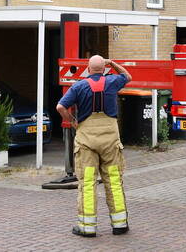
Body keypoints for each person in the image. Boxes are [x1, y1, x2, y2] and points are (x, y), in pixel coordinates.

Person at [57, 55, 132, 237]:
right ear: (104, 69)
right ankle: (120, 224)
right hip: (110, 140)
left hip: (87, 141)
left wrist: (73, 122)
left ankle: (87, 227)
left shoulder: (78, 86)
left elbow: (60, 107)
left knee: (88, 183)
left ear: (88, 70)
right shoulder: (113, 81)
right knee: (114, 180)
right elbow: (128, 76)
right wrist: (112, 63)